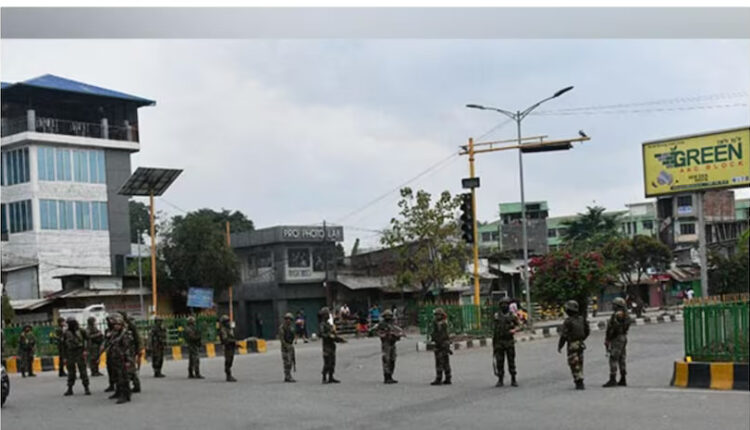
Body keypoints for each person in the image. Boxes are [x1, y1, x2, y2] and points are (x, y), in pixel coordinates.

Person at [558, 300, 590, 390]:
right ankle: (580, 379)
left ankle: (579, 381)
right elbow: (587, 331)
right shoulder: (581, 319)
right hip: (580, 344)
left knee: (573, 362)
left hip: (572, 344)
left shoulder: (568, 321)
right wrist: (582, 339)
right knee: (580, 361)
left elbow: (564, 335)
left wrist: (560, 346)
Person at [370, 309, 405, 384]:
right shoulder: (381, 324)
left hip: (392, 343)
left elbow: (400, 331)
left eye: (389, 316)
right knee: (386, 360)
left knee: (392, 360)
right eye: (387, 316)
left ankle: (390, 375)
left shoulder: (393, 324)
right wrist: (383, 334)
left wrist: (398, 334)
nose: (388, 317)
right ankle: (387, 376)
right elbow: (373, 330)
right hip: (386, 344)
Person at [603, 297, 631, 387]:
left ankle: (613, 379)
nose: (613, 306)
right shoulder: (626, 315)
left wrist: (608, 339)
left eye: (614, 305)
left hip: (616, 338)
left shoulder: (617, 315)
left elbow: (613, 328)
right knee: (622, 358)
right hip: (623, 337)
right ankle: (623, 378)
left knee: (613, 358)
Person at [493, 297, 520, 387]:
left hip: (509, 341)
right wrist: (494, 344)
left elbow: (519, 325)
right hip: (499, 342)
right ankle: (500, 379)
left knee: (511, 360)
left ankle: (513, 378)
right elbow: (495, 330)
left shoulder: (512, 316)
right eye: (502, 304)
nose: (504, 306)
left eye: (506, 304)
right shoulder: (496, 316)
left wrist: (514, 330)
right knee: (499, 361)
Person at [108, 315, 134, 404]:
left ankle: (125, 395)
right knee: (116, 376)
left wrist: (127, 361)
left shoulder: (125, 335)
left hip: (123, 358)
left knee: (123, 377)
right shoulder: (114, 333)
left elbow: (127, 348)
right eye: (115, 324)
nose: (116, 326)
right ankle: (118, 392)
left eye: (118, 324)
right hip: (115, 358)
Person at [63, 318, 91, 396]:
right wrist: (64, 357)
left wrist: (86, 350)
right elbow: (63, 345)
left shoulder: (81, 331)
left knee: (83, 370)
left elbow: (88, 340)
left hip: (79, 351)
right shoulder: (66, 332)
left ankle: (86, 388)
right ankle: (70, 388)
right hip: (70, 352)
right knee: (71, 372)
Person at [318, 307, 346, 384]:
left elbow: (334, 335)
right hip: (326, 346)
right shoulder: (322, 324)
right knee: (327, 362)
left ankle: (331, 377)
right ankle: (324, 377)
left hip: (332, 346)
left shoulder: (329, 324)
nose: (328, 315)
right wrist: (329, 336)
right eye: (327, 314)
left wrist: (340, 339)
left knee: (332, 362)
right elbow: (321, 334)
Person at [429, 307, 452, 386]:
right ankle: (448, 378)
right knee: (445, 361)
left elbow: (440, 335)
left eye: (437, 315)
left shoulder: (440, 324)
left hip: (441, 344)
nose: (436, 316)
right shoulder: (444, 322)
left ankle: (439, 379)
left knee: (440, 362)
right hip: (445, 344)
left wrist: (437, 341)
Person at [121, 312, 141, 393]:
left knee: (130, 369)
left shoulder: (130, 325)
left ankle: (135, 386)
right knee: (128, 369)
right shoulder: (121, 326)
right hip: (123, 350)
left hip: (130, 350)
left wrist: (138, 349)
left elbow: (137, 338)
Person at [278, 313, 296, 382]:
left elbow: (293, 337)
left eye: (290, 319)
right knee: (287, 362)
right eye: (287, 319)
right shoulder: (282, 328)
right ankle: (287, 376)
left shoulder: (291, 328)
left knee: (290, 361)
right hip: (285, 347)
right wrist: (286, 346)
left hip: (290, 346)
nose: (289, 321)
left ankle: (289, 375)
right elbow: (282, 339)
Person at [218, 315, 237, 382]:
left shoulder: (229, 329)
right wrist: (232, 341)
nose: (228, 322)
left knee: (231, 360)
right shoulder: (223, 330)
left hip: (231, 346)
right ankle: (228, 375)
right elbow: (225, 339)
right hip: (227, 347)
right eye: (227, 321)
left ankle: (229, 375)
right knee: (228, 360)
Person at [102, 316, 117, 392]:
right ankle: (111, 384)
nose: (109, 323)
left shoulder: (118, 331)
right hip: (109, 352)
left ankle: (119, 387)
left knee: (117, 370)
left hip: (117, 353)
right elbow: (105, 341)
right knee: (110, 369)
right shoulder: (107, 331)